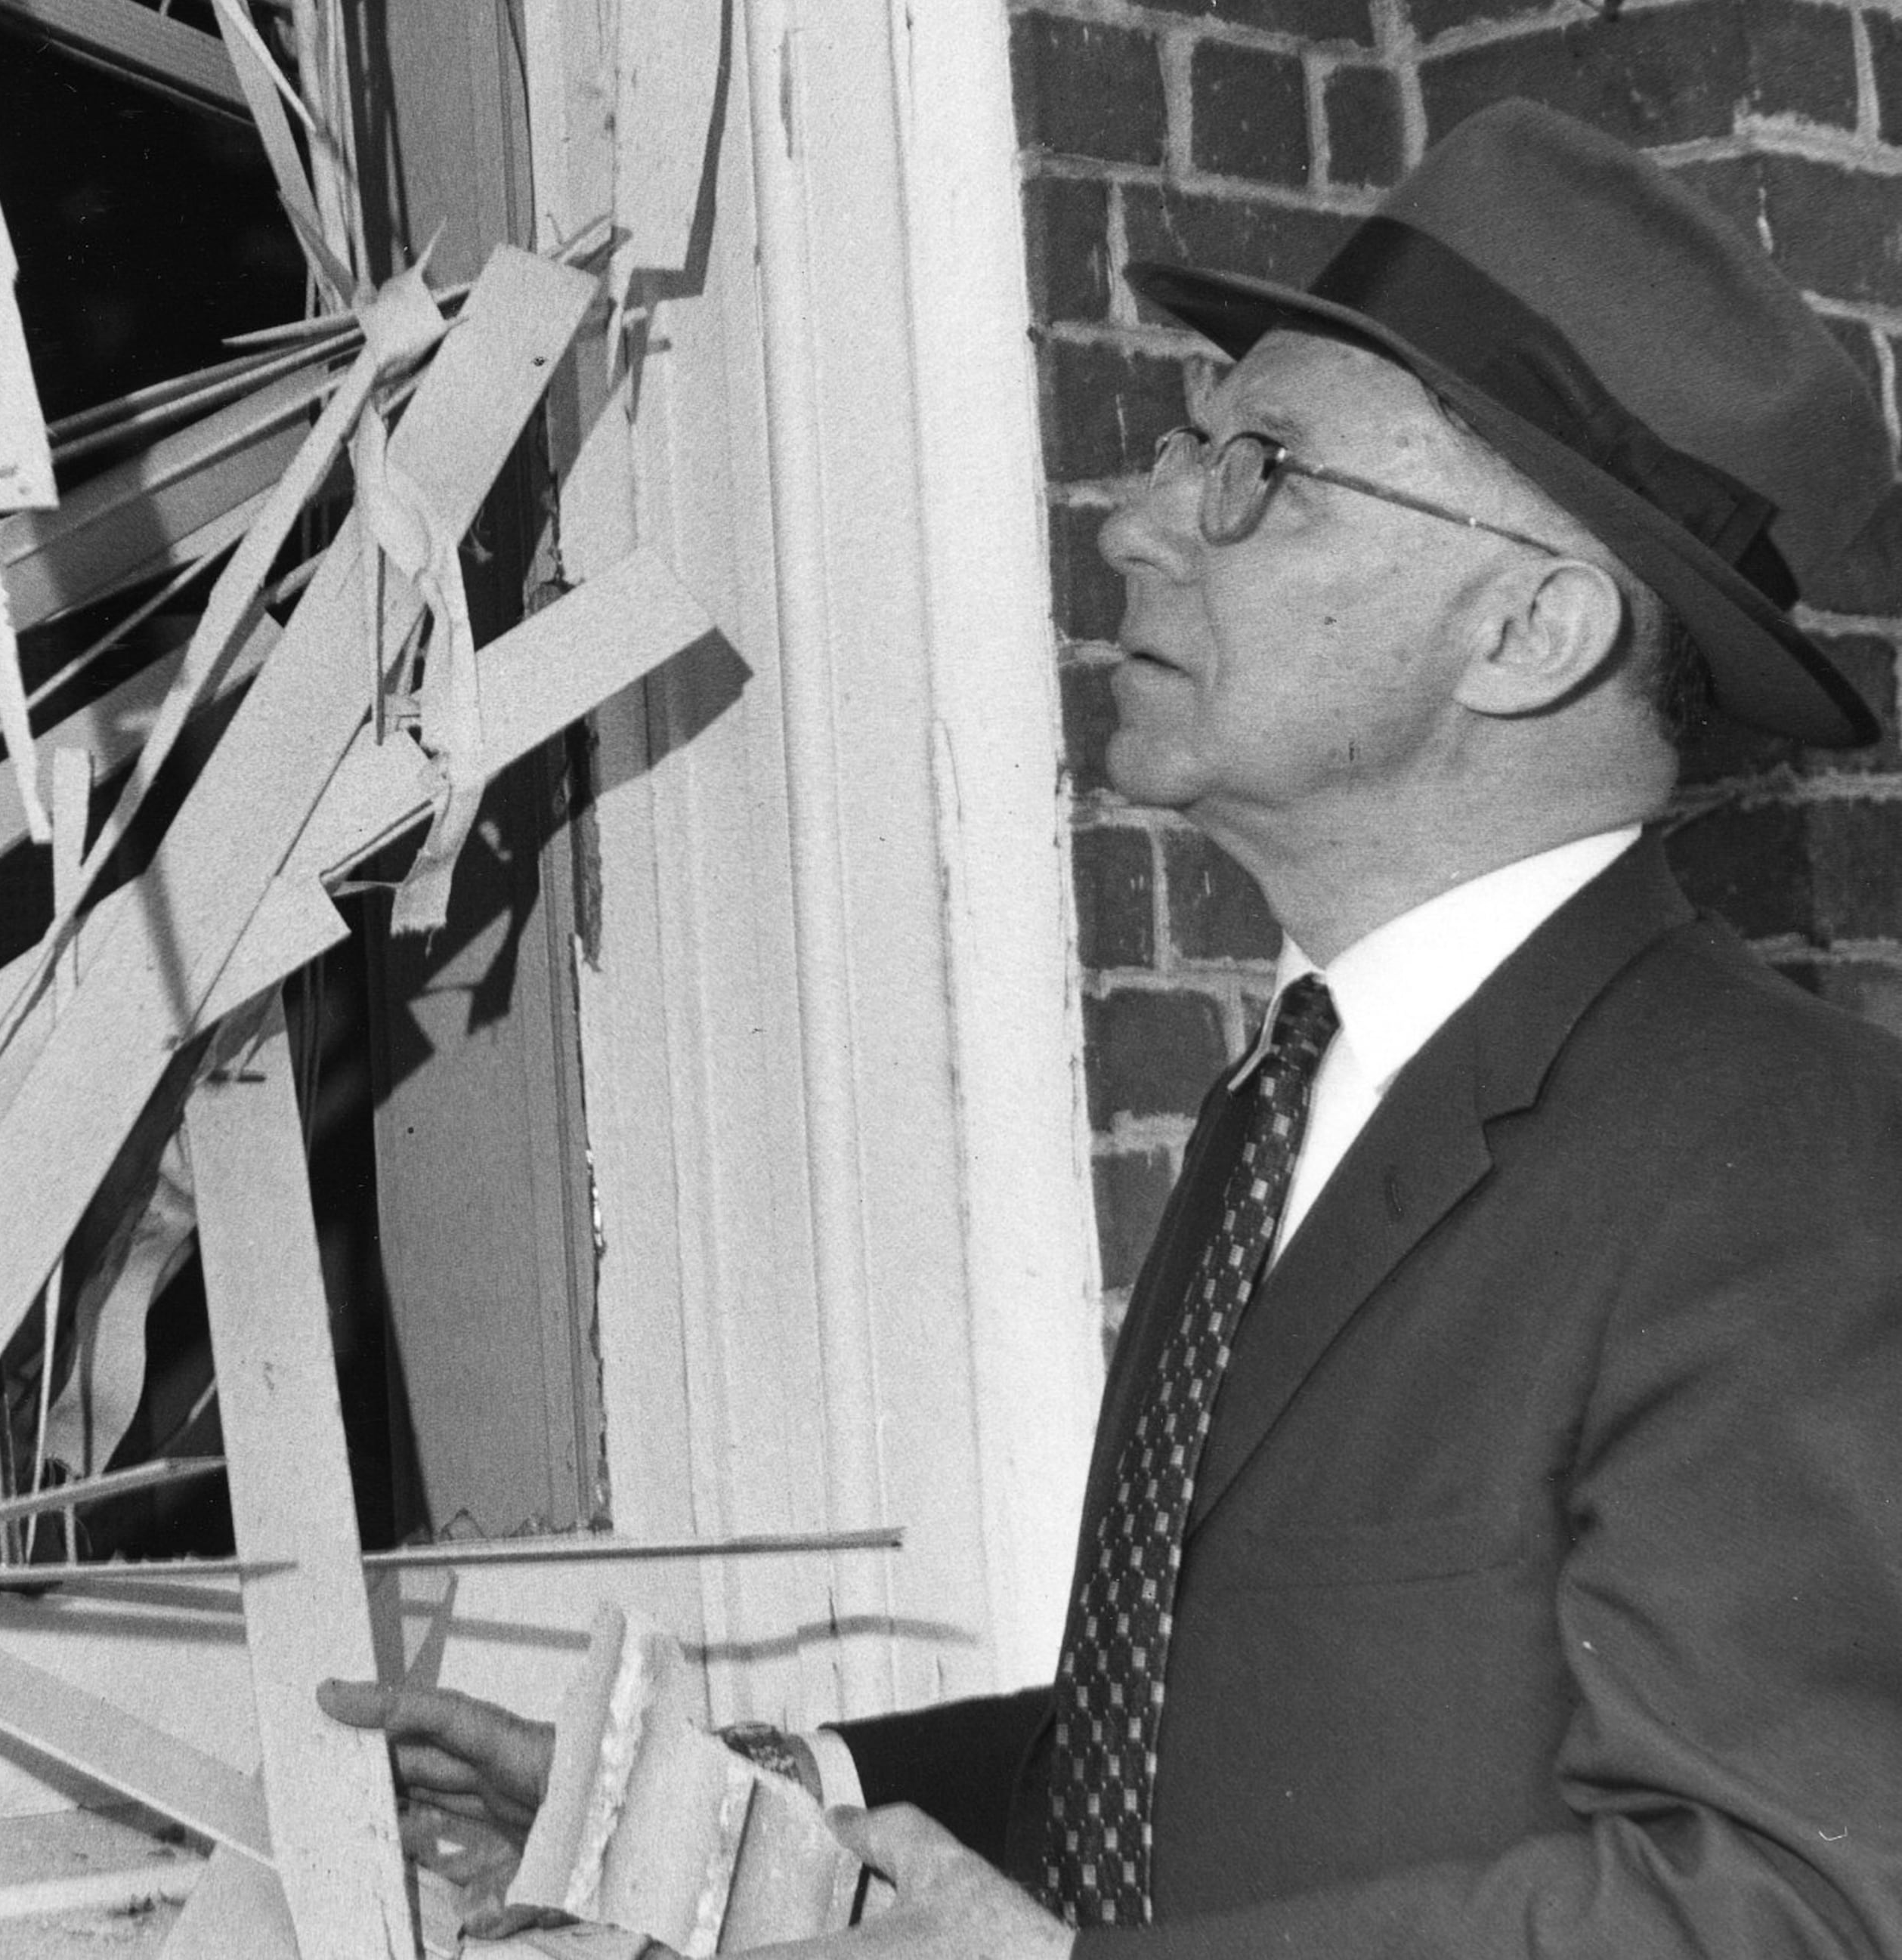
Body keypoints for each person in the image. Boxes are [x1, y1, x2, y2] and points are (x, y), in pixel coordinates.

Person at [323, 99, 1902, 1954]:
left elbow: (1794, 1906)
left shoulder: (1789, 1155)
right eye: (1189, 445)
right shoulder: (1293, 1101)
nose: (1139, 514)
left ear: (1532, 634)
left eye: (1264, 472)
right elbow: (1202, 1739)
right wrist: (727, 1806)